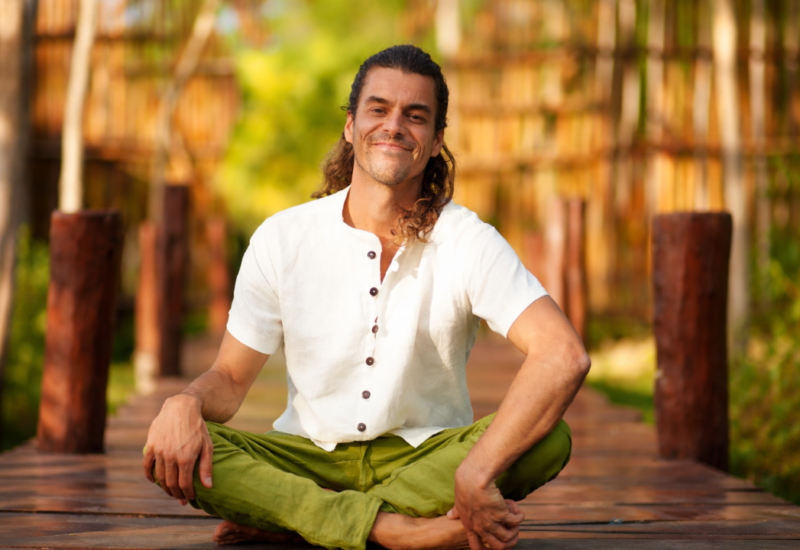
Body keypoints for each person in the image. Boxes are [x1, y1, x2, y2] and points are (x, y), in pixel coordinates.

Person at [143, 45, 590, 550]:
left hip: (425, 459)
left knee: (549, 437)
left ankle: (300, 519)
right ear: (351, 125)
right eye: (379, 109)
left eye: (415, 116)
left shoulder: (468, 239)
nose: (394, 126)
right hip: (305, 459)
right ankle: (390, 529)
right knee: (173, 446)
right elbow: (229, 378)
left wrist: (475, 471)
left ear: (436, 140)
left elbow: (563, 355)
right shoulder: (282, 237)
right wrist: (185, 402)